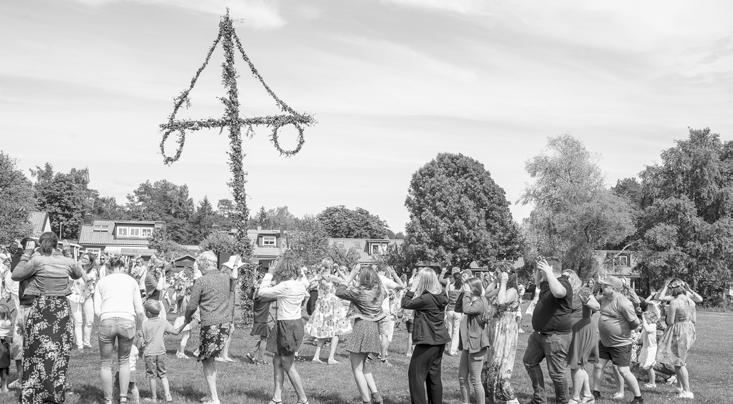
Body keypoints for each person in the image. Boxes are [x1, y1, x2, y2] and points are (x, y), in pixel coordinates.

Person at [11, 232, 85, 403]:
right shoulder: (67, 261)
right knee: (59, 353)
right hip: (61, 310)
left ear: (40, 244)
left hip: (42, 309)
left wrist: (27, 254)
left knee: (35, 352)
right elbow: (77, 274)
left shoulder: (37, 261)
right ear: (56, 244)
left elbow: (16, 275)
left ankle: (33, 394)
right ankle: (55, 393)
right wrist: (68, 254)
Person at [177, 251, 240, 404]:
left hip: (211, 325)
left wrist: (186, 319)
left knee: (208, 361)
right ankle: (212, 395)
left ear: (205, 264)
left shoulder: (201, 281)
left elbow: (192, 305)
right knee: (209, 359)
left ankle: (214, 398)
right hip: (224, 325)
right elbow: (232, 294)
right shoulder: (226, 278)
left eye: (198, 265)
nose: (198, 267)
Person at [257, 252, 310, 404]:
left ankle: (303, 399)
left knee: (287, 363)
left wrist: (269, 274)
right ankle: (276, 398)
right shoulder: (301, 284)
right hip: (293, 324)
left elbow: (262, 292)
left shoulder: (285, 286)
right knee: (277, 360)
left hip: (287, 325)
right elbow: (305, 282)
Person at [94, 255, 145, 404]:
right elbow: (140, 311)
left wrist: (104, 317)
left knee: (105, 363)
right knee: (124, 361)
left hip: (107, 320)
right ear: (124, 267)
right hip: (127, 321)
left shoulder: (102, 282)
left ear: (109, 268)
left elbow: (97, 309)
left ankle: (108, 399)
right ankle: (123, 397)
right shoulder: (132, 281)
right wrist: (140, 327)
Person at [523, 257, 574, 404]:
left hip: (556, 337)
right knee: (529, 362)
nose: (540, 273)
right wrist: (539, 268)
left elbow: (559, 293)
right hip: (539, 335)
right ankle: (539, 399)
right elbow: (538, 282)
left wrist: (548, 272)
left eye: (543, 270)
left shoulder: (563, 282)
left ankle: (563, 401)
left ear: (550, 269)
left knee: (556, 373)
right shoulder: (547, 283)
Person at [333, 264, 386, 404]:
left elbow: (339, 291)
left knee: (357, 369)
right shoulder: (381, 292)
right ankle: (376, 395)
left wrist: (351, 275)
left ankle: (366, 400)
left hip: (362, 327)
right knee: (365, 366)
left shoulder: (359, 293)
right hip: (374, 328)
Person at [401, 268, 451, 404]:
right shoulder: (440, 295)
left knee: (415, 375)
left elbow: (405, 304)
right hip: (439, 340)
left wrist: (412, 288)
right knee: (433, 376)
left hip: (428, 341)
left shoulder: (426, 298)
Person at [591, 276, 643, 404]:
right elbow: (590, 298)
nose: (602, 288)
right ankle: (596, 393)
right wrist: (596, 286)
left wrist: (622, 332)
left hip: (621, 344)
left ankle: (638, 398)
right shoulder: (604, 299)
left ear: (613, 288)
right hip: (604, 342)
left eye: (605, 286)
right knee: (598, 366)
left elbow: (635, 323)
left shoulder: (623, 302)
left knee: (623, 371)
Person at [484, 270, 521, 404]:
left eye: (500, 272)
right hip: (496, 328)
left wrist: (504, 282)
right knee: (493, 359)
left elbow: (501, 301)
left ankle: (509, 397)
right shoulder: (501, 288)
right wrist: (495, 281)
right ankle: (493, 395)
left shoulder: (512, 291)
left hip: (506, 330)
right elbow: (487, 294)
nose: (498, 275)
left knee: (502, 361)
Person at [655, 279, 696, 399]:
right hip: (689, 330)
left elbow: (670, 321)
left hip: (679, 332)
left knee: (679, 362)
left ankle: (687, 391)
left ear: (673, 289)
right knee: (679, 360)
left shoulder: (674, 302)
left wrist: (665, 286)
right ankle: (680, 387)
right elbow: (694, 319)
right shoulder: (691, 301)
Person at [454, 277, 491, 404]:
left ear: (473, 288)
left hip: (477, 345)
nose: (465, 289)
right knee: (462, 377)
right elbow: (458, 308)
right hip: (468, 345)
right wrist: (464, 294)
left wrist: (467, 294)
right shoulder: (471, 300)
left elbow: (466, 310)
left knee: (475, 380)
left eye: (467, 287)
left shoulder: (480, 302)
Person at [564, 272, 600, 404]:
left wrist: (588, 303)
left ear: (573, 279)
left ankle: (575, 397)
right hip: (573, 331)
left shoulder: (583, 291)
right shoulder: (566, 293)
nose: (564, 279)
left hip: (583, 329)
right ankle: (588, 395)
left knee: (576, 365)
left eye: (567, 277)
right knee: (579, 365)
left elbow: (597, 306)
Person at [141, 299, 180, 402]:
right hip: (161, 352)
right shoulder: (163, 322)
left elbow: (144, 339)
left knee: (152, 376)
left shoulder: (145, 324)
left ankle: (154, 398)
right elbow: (175, 332)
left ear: (148, 312)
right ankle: (168, 396)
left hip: (149, 353)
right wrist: (185, 323)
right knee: (163, 374)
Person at [304, 261, 343, 365]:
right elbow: (345, 281)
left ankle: (316, 356)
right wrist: (338, 271)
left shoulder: (319, 277)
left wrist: (318, 274)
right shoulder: (331, 277)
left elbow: (307, 283)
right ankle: (331, 358)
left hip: (323, 304)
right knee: (336, 331)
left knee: (323, 331)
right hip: (332, 304)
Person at [68, 252, 98, 351]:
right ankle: (80, 344)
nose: (83, 260)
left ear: (90, 262)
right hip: (75, 297)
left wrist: (80, 268)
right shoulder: (74, 270)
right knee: (78, 321)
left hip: (87, 297)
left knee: (89, 321)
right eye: (82, 258)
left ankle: (87, 342)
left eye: (86, 259)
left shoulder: (93, 271)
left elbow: (87, 280)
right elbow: (70, 282)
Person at [247, 272, 275, 365]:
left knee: (263, 338)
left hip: (258, 319)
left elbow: (250, 295)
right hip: (263, 320)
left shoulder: (257, 296)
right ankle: (260, 359)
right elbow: (277, 296)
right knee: (264, 339)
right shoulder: (265, 297)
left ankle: (251, 353)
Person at [638, 301, 659, 389]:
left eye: (647, 318)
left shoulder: (653, 325)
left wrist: (643, 318)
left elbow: (647, 330)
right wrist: (639, 340)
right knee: (646, 366)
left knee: (649, 366)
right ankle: (651, 381)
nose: (645, 319)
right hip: (646, 347)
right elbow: (643, 334)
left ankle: (653, 383)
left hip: (651, 348)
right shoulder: (648, 324)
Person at [444, 267, 463, 356]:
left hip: (449, 310)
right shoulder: (462, 288)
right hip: (458, 311)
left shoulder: (450, 286)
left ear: (453, 278)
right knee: (456, 331)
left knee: (449, 330)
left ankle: (448, 348)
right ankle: (453, 350)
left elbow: (446, 297)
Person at [0, 302, 12, 392]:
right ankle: (3, 386)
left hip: (5, 342)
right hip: (2, 341)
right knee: (3, 365)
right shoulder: (7, 320)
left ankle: (4, 386)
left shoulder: (7, 320)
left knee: (5, 366)